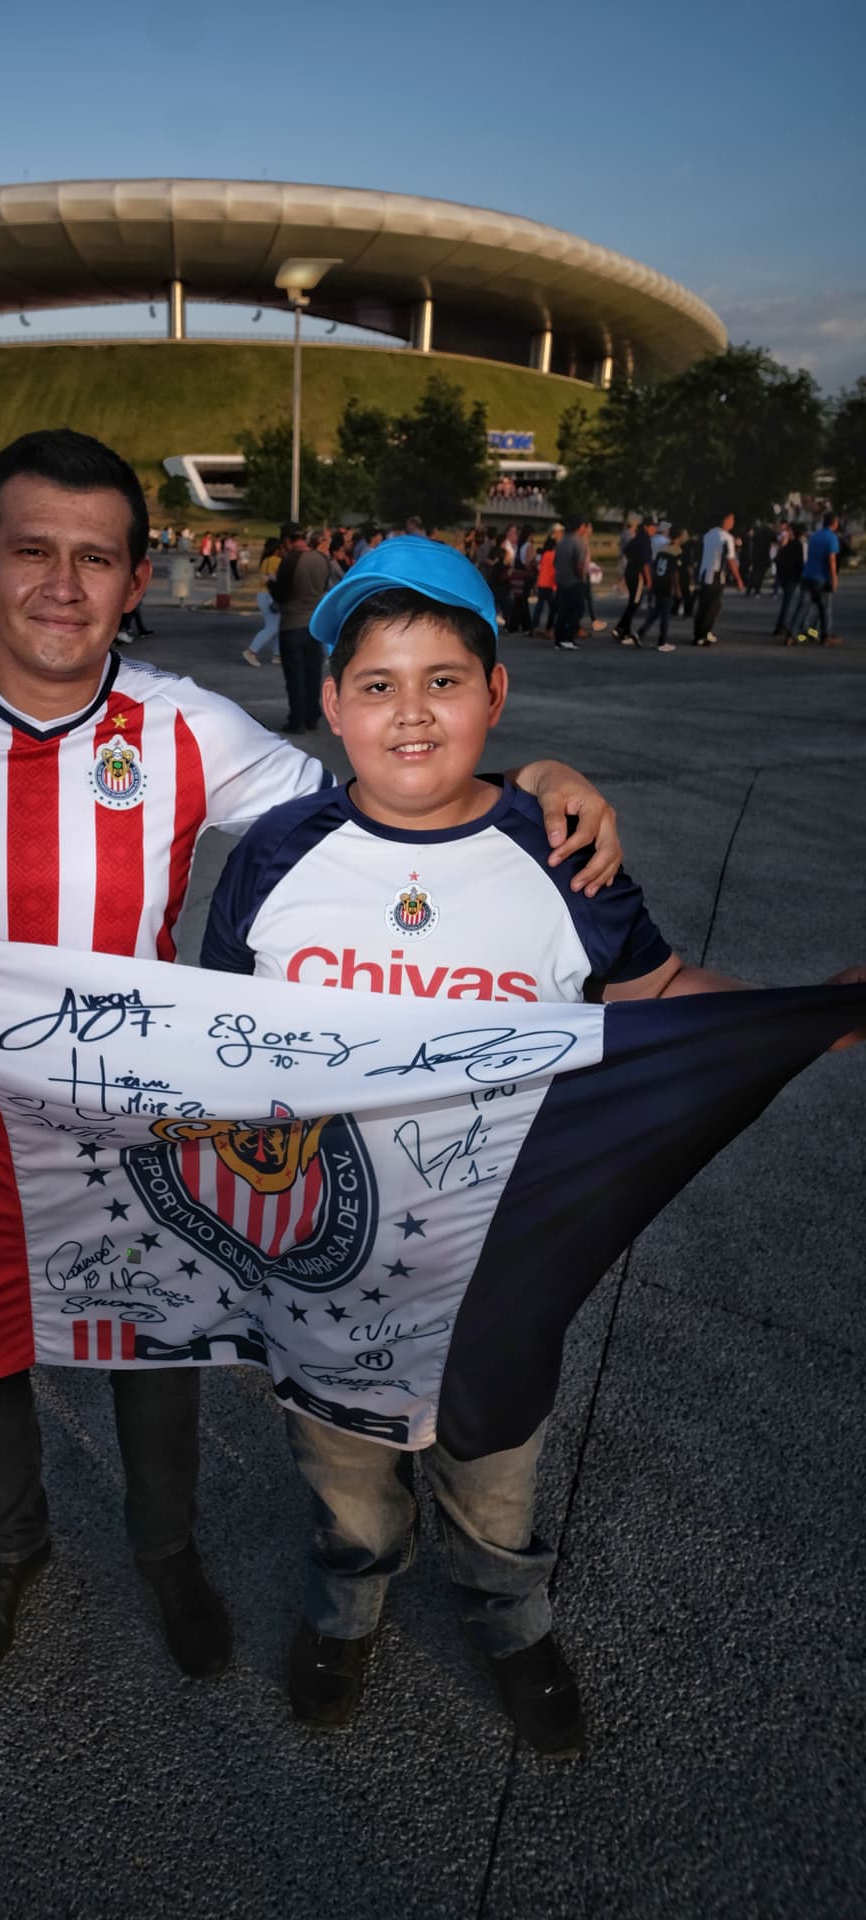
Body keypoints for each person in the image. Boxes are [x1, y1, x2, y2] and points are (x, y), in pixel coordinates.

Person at [0, 428, 624, 1695]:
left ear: (136, 580)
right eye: (31, 551)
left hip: (137, 1116)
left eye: (96, 558)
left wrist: (528, 781)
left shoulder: (186, 726)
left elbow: (387, 801)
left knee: (157, 1353)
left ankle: (166, 1552)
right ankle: (8, 1548)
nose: (62, 585)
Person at [199, 536, 863, 1752]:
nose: (411, 712)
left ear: (494, 695)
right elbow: (218, 1040)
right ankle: (344, 1606)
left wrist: (802, 1018)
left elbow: (652, 991)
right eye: (378, 684)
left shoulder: (559, 854)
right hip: (326, 1271)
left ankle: (508, 1618)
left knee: (492, 1481)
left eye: (444, 680)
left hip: (498, 1258)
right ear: (331, 700)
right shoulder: (276, 857)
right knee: (344, 1478)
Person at [272, 526, 332, 734]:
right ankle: (312, 716)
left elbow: (281, 594)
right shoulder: (322, 560)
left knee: (295, 675)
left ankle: (296, 720)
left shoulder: (289, 561)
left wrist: (271, 583)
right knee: (312, 673)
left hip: (292, 623)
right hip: (314, 624)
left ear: (288, 541)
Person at [790, 511, 841, 647]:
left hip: (807, 575)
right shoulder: (831, 538)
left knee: (802, 606)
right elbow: (831, 560)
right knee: (825, 608)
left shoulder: (815, 536)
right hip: (821, 577)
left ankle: (792, 635)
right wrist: (834, 578)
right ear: (835, 523)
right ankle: (825, 636)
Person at [693, 513, 743, 646]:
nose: (733, 523)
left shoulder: (708, 535)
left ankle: (698, 633)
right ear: (725, 520)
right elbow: (730, 560)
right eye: (731, 520)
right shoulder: (726, 538)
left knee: (703, 605)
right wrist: (738, 579)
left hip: (704, 573)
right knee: (713, 606)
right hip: (716, 575)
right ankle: (703, 635)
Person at [636, 528, 685, 652]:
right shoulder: (677, 551)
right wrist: (677, 589)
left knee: (657, 611)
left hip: (658, 581)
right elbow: (675, 572)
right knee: (665, 614)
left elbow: (655, 566)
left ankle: (640, 633)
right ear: (679, 536)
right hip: (667, 583)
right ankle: (662, 641)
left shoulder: (663, 549)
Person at [612, 514, 655, 644]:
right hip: (638, 575)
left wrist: (633, 561)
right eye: (653, 527)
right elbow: (645, 564)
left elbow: (626, 551)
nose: (654, 530)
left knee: (633, 602)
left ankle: (622, 628)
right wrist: (649, 580)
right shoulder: (645, 540)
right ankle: (621, 629)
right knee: (634, 603)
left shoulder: (637, 538)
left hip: (630, 571)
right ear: (647, 527)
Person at [242, 534, 284, 667]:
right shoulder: (275, 560)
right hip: (270, 595)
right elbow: (274, 578)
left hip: (263, 595)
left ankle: (277, 655)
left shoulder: (265, 560)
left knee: (276, 626)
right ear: (277, 549)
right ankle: (251, 651)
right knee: (273, 627)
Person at [552, 516, 590, 650]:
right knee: (577, 610)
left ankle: (559, 639)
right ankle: (568, 638)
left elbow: (555, 562)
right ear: (580, 527)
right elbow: (578, 564)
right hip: (574, 581)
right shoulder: (578, 542)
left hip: (561, 580)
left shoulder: (561, 541)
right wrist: (582, 578)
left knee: (562, 611)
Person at [772, 523, 805, 640]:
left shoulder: (790, 544)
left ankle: (781, 625)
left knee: (786, 602)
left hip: (784, 576)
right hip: (791, 577)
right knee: (787, 602)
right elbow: (799, 562)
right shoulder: (796, 544)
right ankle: (781, 626)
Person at [533, 529, 558, 633]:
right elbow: (554, 570)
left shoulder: (544, 554)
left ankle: (533, 626)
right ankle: (550, 627)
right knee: (553, 607)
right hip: (549, 584)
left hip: (541, 583)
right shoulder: (553, 555)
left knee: (539, 606)